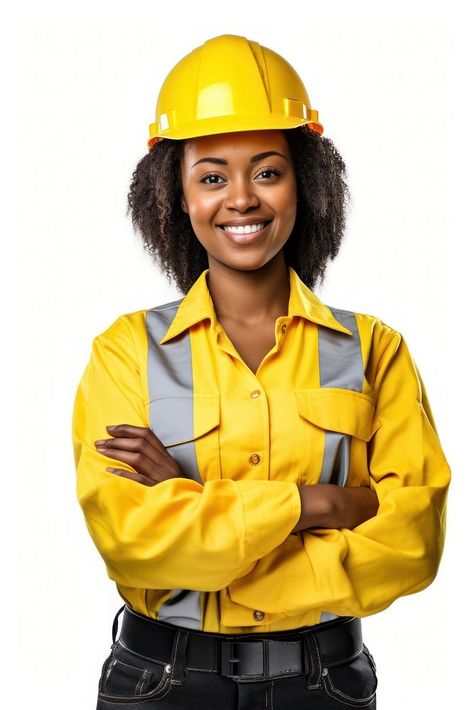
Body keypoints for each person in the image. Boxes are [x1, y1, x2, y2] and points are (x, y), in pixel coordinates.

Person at [71, 33, 451, 709]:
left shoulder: (375, 351)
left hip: (324, 684)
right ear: (176, 197)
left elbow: (411, 543)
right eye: (212, 176)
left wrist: (199, 514)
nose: (241, 198)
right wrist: (321, 504)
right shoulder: (126, 351)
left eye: (268, 171)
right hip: (162, 683)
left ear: (305, 182)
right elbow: (133, 540)